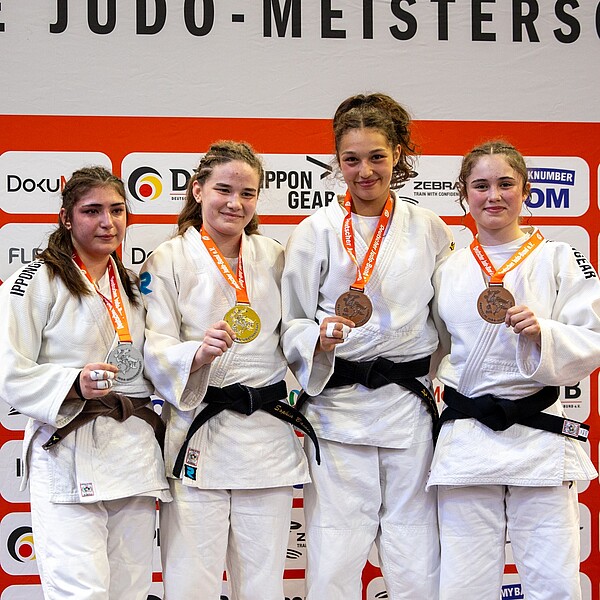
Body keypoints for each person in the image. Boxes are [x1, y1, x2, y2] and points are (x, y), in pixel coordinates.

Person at [281, 93, 454, 600]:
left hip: (407, 407)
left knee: (415, 551)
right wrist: (317, 337)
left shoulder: (427, 227)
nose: (365, 171)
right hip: (337, 410)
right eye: (351, 159)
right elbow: (291, 321)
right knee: (333, 551)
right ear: (337, 161)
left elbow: (447, 318)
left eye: (377, 156)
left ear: (397, 154)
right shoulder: (314, 231)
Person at [140, 140, 312, 600]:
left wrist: (321, 338)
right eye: (223, 190)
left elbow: (295, 330)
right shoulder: (167, 259)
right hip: (200, 431)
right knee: (190, 581)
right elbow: (154, 345)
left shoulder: (274, 256)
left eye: (247, 193)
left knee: (263, 581)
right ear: (198, 190)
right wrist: (194, 355)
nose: (235, 203)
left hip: (266, 435)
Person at [428, 140, 599, 599]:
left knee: (554, 580)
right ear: (464, 194)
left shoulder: (560, 257)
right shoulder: (449, 268)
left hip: (538, 435)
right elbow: (435, 348)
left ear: (525, 191)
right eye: (481, 185)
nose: (494, 196)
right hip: (468, 436)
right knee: (463, 583)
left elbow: (594, 335)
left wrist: (545, 332)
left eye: (506, 184)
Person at [0, 166, 170, 600]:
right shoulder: (34, 281)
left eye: (117, 210)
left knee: (130, 590)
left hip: (131, 451)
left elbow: (155, 360)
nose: (107, 222)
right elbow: (9, 369)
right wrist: (74, 383)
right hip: (69, 451)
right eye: (92, 211)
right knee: (81, 593)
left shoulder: (131, 286)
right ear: (66, 217)